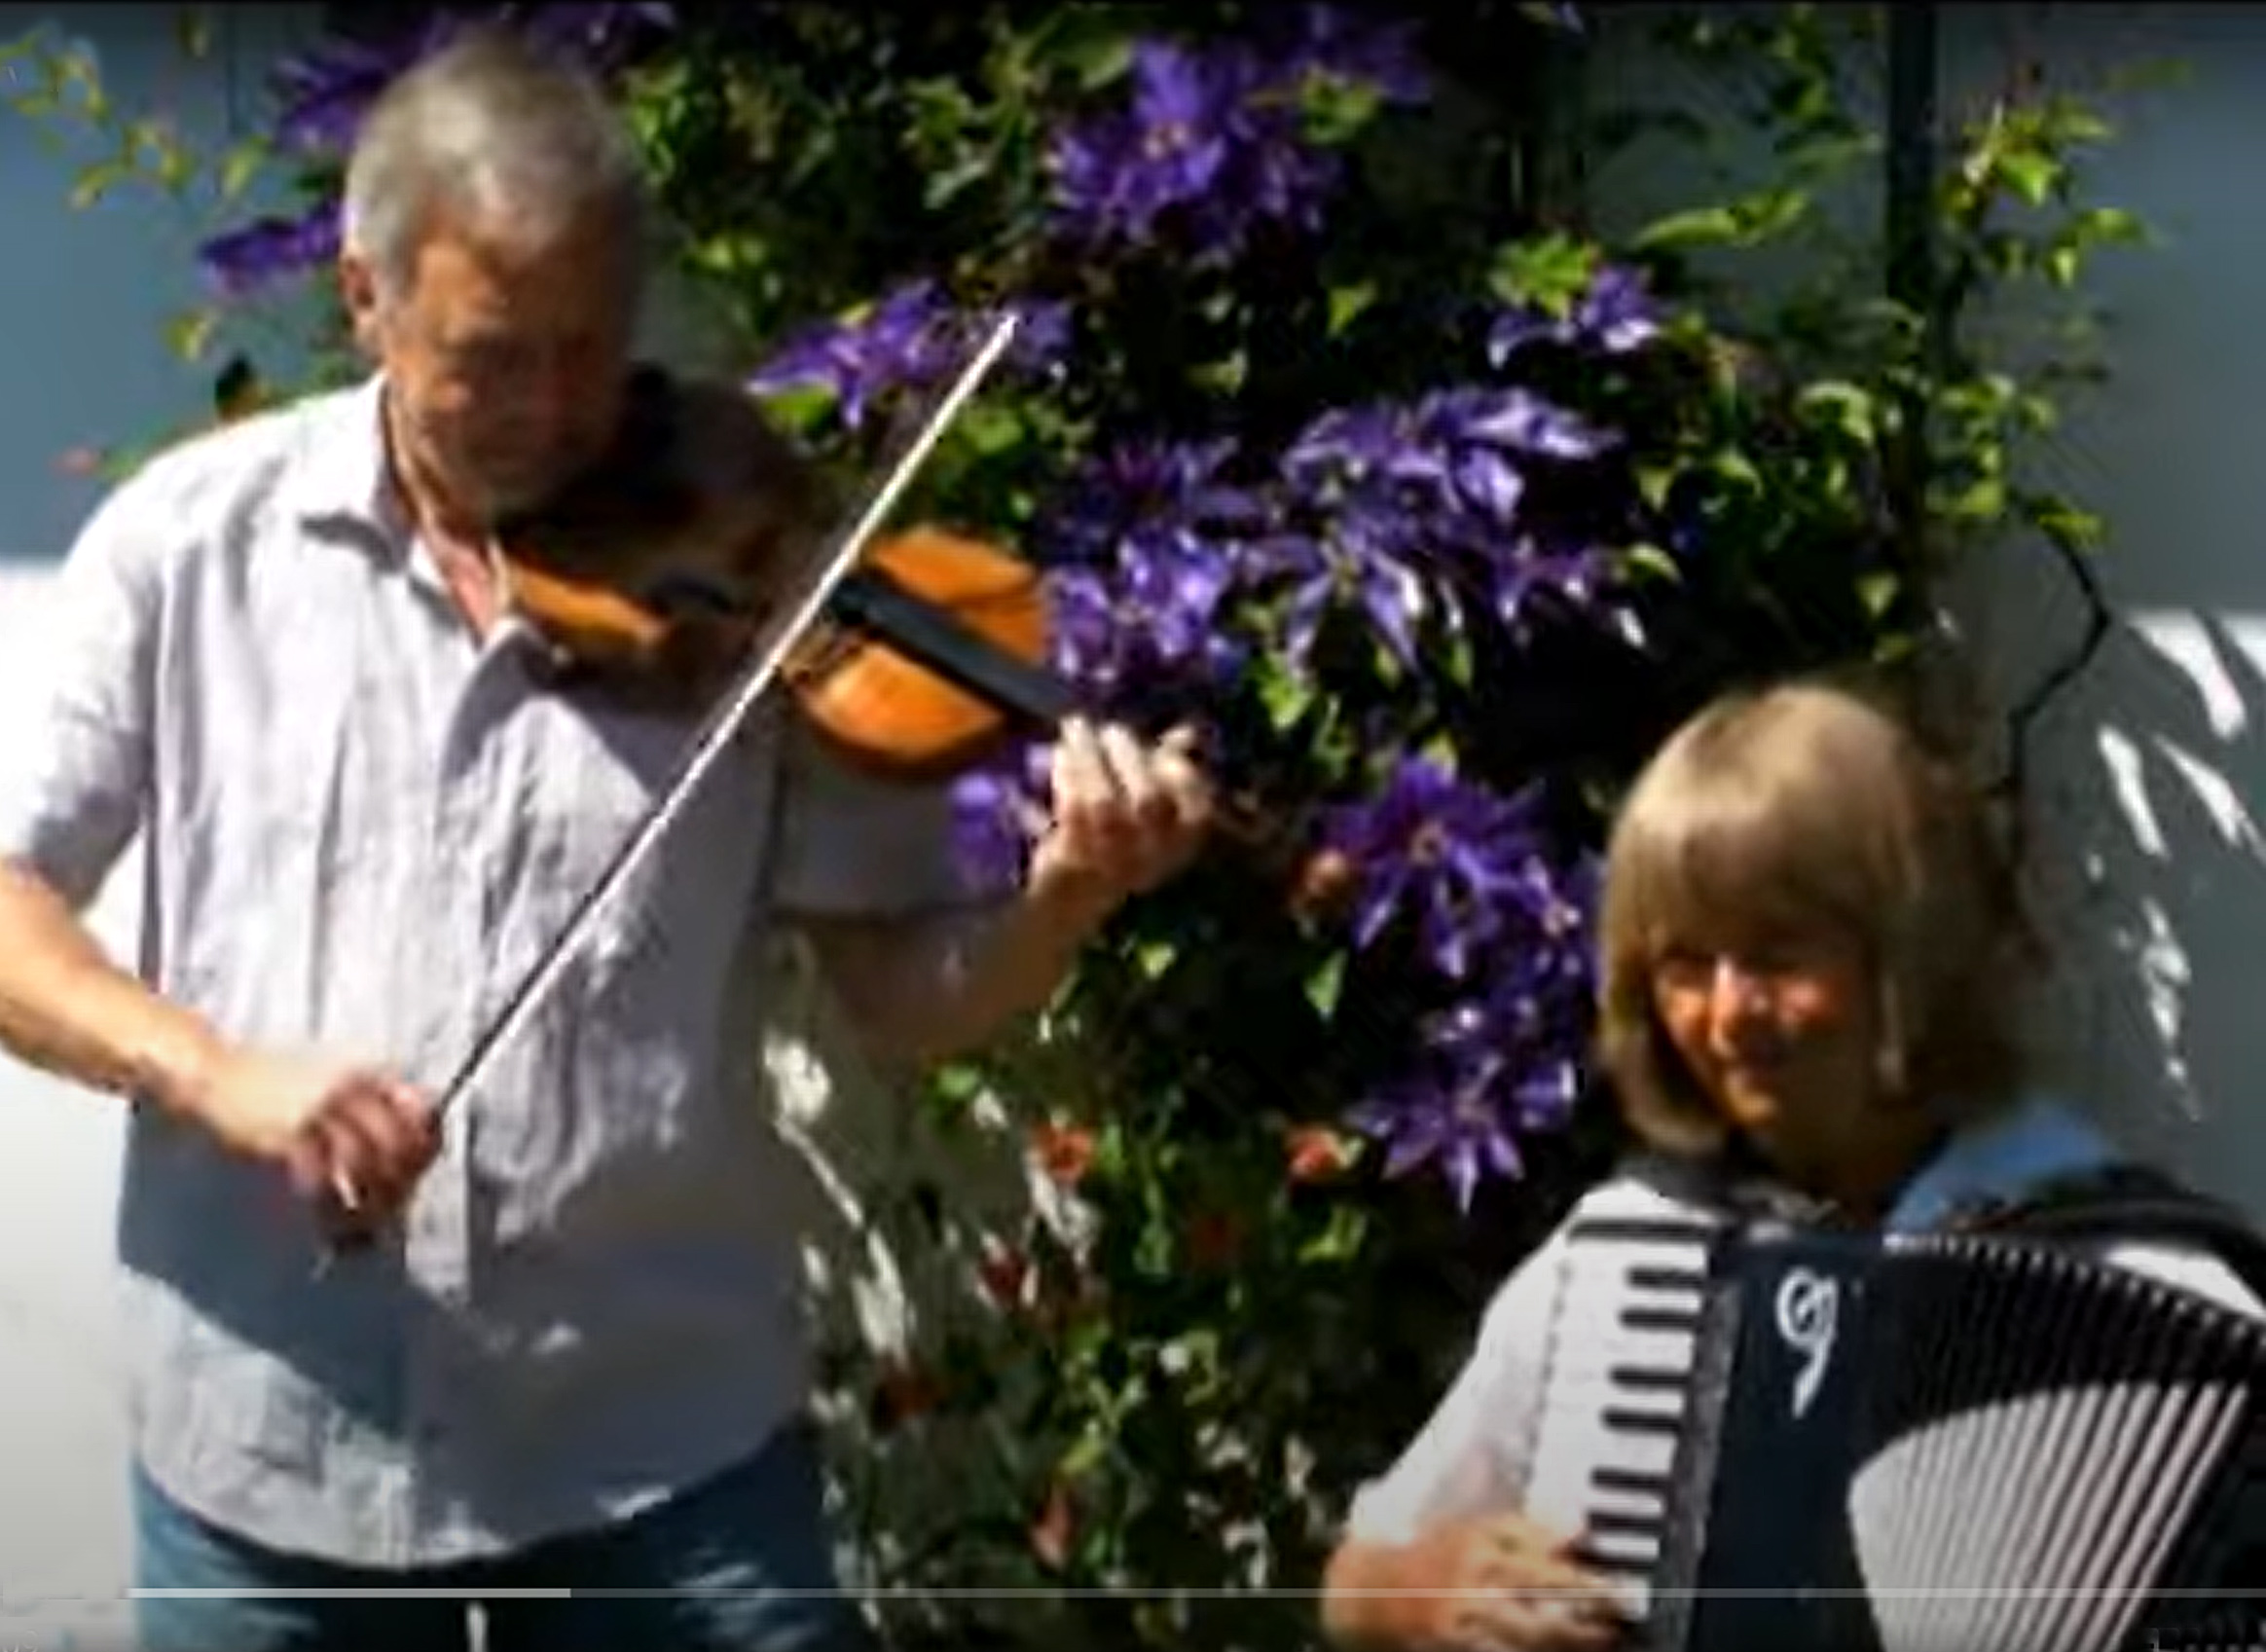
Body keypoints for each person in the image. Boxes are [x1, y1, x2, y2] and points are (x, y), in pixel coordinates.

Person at [0, 25, 1213, 1652]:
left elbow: (902, 997)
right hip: (272, 1450)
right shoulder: (186, 548)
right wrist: (218, 1074)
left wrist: (1059, 900)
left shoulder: (755, 561)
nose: (557, 409)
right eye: (493, 354)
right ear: (364, 299)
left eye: (591, 344)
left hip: (665, 1456)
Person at [1316, 674, 2266, 1652]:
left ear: (1910, 956)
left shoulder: (2153, 1294)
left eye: (1776, 955)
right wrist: (1423, 1590)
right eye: (1684, 963)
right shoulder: (1624, 1259)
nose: (1726, 1014)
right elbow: (1357, 1573)